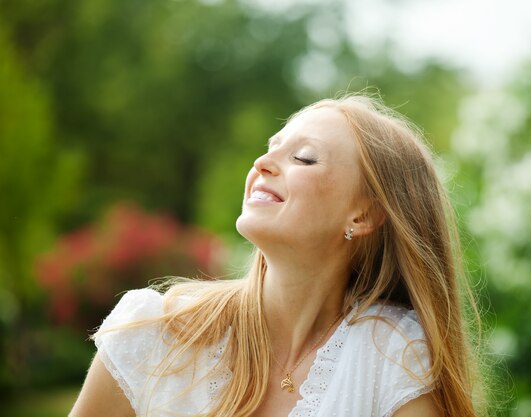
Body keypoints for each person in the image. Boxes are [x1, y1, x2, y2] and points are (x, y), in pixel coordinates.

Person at [70, 94, 482, 417]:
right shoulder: (153, 333)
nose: (262, 163)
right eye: (272, 148)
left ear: (365, 214)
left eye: (303, 157)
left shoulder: (391, 355)